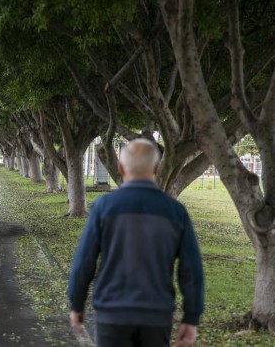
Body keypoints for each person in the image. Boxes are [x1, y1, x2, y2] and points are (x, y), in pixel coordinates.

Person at [68, 139, 204, 347]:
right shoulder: (175, 212)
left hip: (112, 314)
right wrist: (191, 317)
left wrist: (77, 305)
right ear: (157, 168)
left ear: (120, 168)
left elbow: (84, 261)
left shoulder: (104, 207)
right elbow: (191, 271)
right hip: (156, 315)